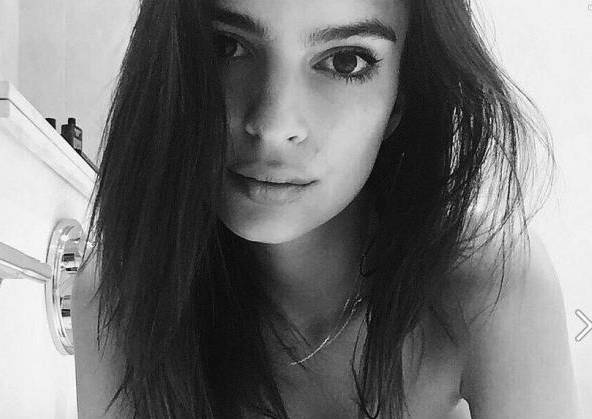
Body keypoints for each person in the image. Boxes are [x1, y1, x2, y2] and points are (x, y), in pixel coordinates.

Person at [71, 0, 579, 418]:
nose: (274, 125)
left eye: (345, 62)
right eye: (226, 46)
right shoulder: (120, 290)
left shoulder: (488, 282)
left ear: (401, 99)